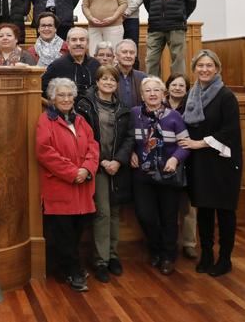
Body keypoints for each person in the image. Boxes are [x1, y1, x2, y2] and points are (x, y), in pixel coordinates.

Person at [180, 50, 242, 277]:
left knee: (224, 211)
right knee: (204, 209)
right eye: (200, 66)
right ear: (195, 68)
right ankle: (206, 254)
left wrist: (199, 144)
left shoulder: (226, 96)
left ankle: (225, 258)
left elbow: (230, 131)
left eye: (209, 66)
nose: (204, 69)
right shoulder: (191, 95)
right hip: (199, 164)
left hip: (222, 163)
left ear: (217, 68)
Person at [37, 78, 99, 292]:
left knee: (78, 230)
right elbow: (45, 152)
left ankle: (66, 268)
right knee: (63, 234)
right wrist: (73, 172)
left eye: (69, 95)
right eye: (60, 95)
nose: (65, 99)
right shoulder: (45, 120)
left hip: (82, 188)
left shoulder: (81, 120)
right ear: (52, 98)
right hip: (60, 188)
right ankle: (75, 272)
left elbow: (93, 146)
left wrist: (87, 169)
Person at [75, 65, 134, 283]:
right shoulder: (85, 104)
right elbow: (83, 137)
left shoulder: (123, 108)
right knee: (103, 213)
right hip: (97, 166)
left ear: (117, 84)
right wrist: (101, 161)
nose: (108, 83)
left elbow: (129, 138)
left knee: (116, 212)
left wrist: (118, 161)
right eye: (104, 79)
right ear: (97, 82)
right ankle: (100, 260)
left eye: (113, 80)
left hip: (116, 167)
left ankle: (113, 256)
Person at [129, 76, 190, 276]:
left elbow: (185, 144)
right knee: (145, 216)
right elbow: (128, 139)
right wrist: (131, 153)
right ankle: (154, 249)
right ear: (142, 95)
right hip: (143, 174)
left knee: (168, 218)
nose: (153, 94)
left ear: (164, 94)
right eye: (148, 90)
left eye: (157, 90)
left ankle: (168, 257)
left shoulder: (174, 117)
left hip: (167, 174)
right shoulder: (135, 114)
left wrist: (175, 160)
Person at [142, 0, 197, 77]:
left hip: (176, 27)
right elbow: (147, 3)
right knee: (151, 60)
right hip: (155, 27)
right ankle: (153, 88)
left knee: (178, 60)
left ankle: (177, 88)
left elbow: (191, 3)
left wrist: (182, 16)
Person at [165, 72, 198, 260]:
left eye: (181, 86)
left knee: (189, 206)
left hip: (188, 160)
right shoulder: (160, 105)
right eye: (174, 85)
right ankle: (167, 243)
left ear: (186, 90)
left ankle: (189, 243)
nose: (177, 88)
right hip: (164, 161)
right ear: (167, 87)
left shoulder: (192, 107)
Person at [41, 27, 100, 99]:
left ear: (87, 43)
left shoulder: (96, 64)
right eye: (74, 40)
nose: (78, 43)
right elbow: (42, 90)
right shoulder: (57, 66)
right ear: (68, 44)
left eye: (82, 40)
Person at [114, 39, 146, 109]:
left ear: (135, 56)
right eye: (124, 52)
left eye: (132, 53)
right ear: (116, 55)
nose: (128, 56)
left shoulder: (142, 77)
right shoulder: (110, 75)